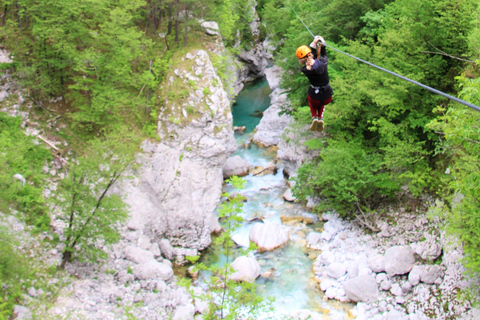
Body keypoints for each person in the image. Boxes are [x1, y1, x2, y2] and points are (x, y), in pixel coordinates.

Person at [296, 36, 333, 132]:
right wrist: (321, 44)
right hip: (327, 96)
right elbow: (322, 56)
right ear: (310, 55)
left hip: (315, 95)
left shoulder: (305, 69)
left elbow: (312, 60)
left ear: (301, 60)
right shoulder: (323, 62)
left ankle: (314, 117)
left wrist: (314, 44)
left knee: (312, 101)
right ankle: (320, 117)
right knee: (322, 102)